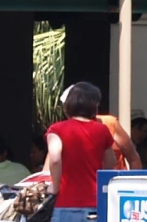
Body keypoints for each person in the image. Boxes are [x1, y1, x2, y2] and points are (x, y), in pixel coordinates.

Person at [43, 81, 118, 211]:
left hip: (65, 202)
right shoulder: (102, 130)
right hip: (95, 201)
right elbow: (110, 162)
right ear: (94, 106)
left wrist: (55, 187)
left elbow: (55, 159)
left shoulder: (57, 129)